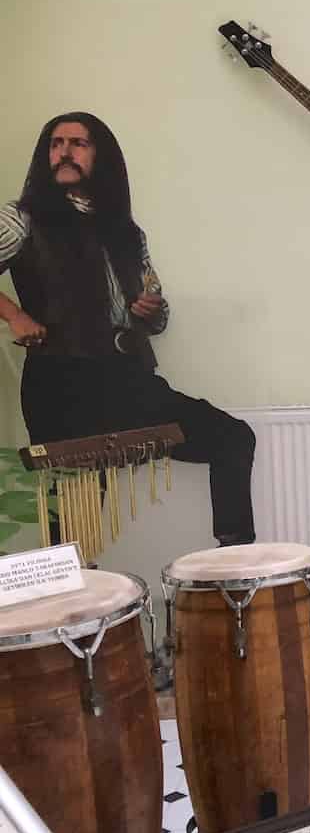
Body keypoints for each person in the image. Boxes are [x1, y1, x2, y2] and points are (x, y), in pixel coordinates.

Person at [0, 112, 256, 545]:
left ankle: (230, 573)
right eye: (56, 143)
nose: (64, 151)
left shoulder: (125, 230)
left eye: (78, 143)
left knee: (232, 438)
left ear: (100, 156)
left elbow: (159, 319)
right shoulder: (21, 217)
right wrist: (14, 314)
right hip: (60, 385)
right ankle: (76, 605)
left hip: (127, 380)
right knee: (75, 531)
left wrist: (150, 310)